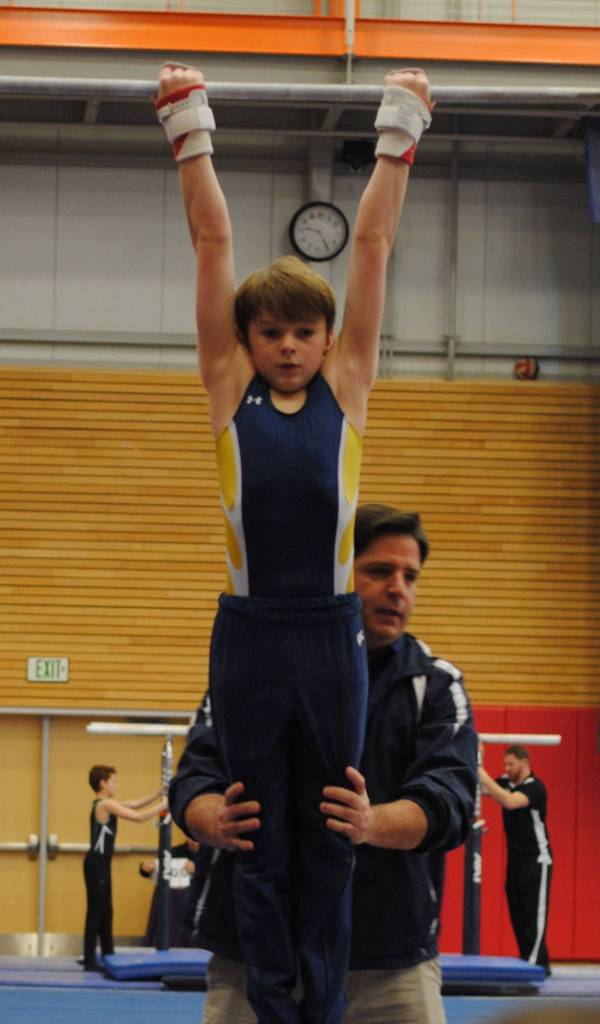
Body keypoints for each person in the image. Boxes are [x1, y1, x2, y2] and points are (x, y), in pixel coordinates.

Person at [155, 60, 433, 1024]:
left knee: (329, 830)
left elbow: (377, 245)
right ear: (246, 338)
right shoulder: (226, 391)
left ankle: (320, 1006)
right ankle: (276, 1007)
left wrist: (398, 132)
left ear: (327, 341)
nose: (285, 346)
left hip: (327, 637)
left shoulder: (347, 392)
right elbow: (209, 238)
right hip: (248, 634)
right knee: (258, 832)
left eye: (302, 332)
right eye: (269, 330)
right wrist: (191, 127)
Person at [169, 503, 478, 1024]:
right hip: (258, 953)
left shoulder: (436, 685)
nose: (398, 588)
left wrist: (372, 822)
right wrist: (213, 819)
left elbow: (451, 801)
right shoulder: (250, 672)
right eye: (379, 571)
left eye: (410, 576)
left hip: (388, 963)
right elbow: (195, 777)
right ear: (336, 574)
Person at [82, 764, 166, 971]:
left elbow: (136, 804)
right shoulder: (104, 805)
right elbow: (138, 818)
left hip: (102, 863)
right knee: (97, 910)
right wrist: (164, 805)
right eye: (114, 781)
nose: (116, 785)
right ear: (103, 784)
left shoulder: (108, 803)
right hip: (96, 863)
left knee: (107, 910)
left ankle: (108, 953)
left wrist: (159, 793)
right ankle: (89, 959)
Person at [478, 745, 553, 974]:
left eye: (511, 764)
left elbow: (509, 801)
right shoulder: (506, 782)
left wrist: (480, 769)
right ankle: (539, 964)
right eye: (505, 764)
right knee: (518, 915)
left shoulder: (536, 788)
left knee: (533, 918)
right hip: (516, 861)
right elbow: (484, 788)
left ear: (524, 763)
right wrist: (476, 757)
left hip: (537, 859)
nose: (507, 768)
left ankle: (533, 965)